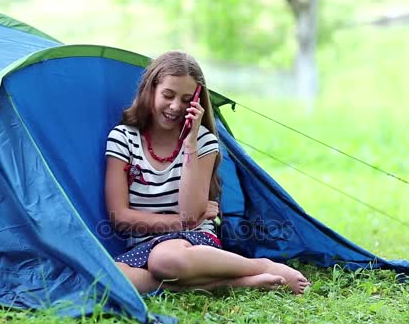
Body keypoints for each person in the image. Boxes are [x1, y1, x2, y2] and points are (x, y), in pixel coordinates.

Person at [105, 50, 309, 294]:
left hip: (193, 244)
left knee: (165, 260)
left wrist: (189, 144)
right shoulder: (123, 138)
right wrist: (179, 222)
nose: (174, 106)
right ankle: (236, 283)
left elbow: (191, 216)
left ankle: (259, 266)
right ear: (150, 90)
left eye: (185, 99)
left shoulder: (203, 141)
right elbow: (120, 217)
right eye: (168, 95)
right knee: (112, 279)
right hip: (143, 247)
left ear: (196, 102)